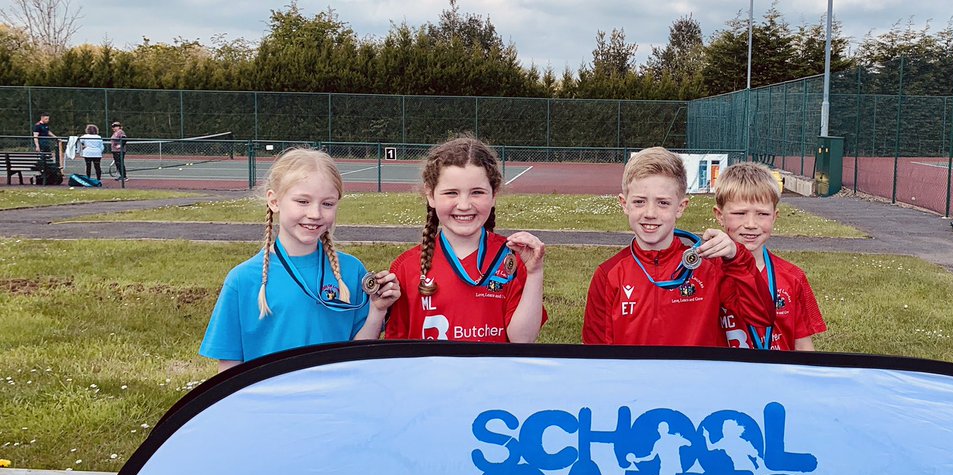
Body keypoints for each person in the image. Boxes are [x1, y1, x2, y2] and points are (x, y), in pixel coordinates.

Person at [200, 147, 399, 372]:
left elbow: (359, 354)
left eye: (327, 204)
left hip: (333, 403)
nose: (315, 213)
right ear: (274, 201)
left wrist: (377, 310)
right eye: (303, 201)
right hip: (272, 405)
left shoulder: (351, 272)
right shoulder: (243, 279)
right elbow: (229, 369)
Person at [582, 147, 773, 346]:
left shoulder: (710, 266)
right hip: (633, 378)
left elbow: (761, 317)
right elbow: (596, 354)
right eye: (639, 202)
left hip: (697, 377)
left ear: (680, 207)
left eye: (663, 203)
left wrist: (736, 258)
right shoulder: (608, 274)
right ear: (624, 204)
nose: (650, 213)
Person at [383, 136, 546, 342]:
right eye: (451, 193)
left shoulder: (512, 258)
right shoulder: (406, 268)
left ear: (494, 194)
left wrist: (534, 273)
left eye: (477, 192)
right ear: (430, 194)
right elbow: (398, 348)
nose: (464, 205)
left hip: (495, 374)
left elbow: (523, 340)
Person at [714, 162, 826, 351]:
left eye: (762, 214)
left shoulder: (793, 277)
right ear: (720, 215)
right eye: (740, 213)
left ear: (774, 216)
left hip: (779, 378)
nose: (751, 224)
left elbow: (803, 345)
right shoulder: (705, 272)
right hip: (724, 378)